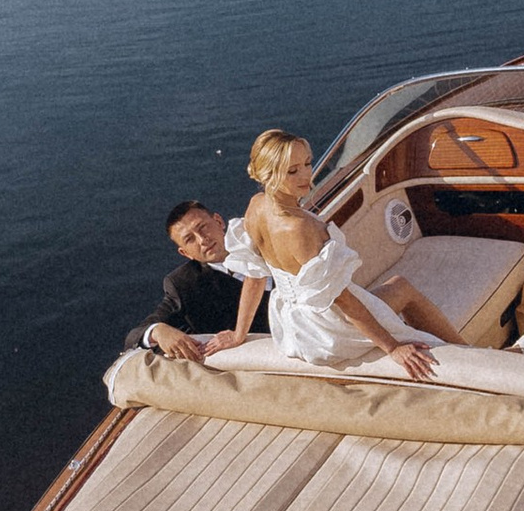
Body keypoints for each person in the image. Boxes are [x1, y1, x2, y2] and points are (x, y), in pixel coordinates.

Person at [224, 128, 460, 380]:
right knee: (403, 294)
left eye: (306, 163)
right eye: (292, 171)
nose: (306, 175)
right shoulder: (300, 227)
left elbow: (255, 276)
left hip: (291, 325)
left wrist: (239, 333)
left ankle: (462, 348)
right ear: (268, 175)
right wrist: (392, 347)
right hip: (325, 330)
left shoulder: (256, 206)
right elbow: (343, 301)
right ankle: (469, 351)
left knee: (399, 287)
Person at [132, 201, 249, 364]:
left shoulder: (263, 243)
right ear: (185, 253)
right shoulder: (184, 284)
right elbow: (136, 334)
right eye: (189, 239)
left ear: (219, 221)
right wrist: (158, 331)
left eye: (202, 227)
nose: (202, 240)